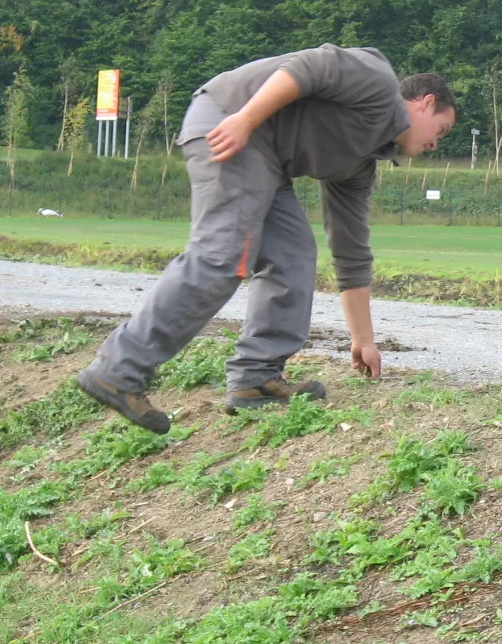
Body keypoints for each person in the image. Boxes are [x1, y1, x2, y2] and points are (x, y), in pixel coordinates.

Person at [77, 46, 457, 434]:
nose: (435, 145)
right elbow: (311, 66)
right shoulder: (376, 79)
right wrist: (246, 118)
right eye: (440, 130)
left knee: (293, 254)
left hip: (266, 158)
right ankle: (119, 370)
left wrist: (364, 340)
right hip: (231, 122)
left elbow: (351, 251)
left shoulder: (358, 164)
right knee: (223, 255)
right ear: (426, 103)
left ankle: (255, 378)